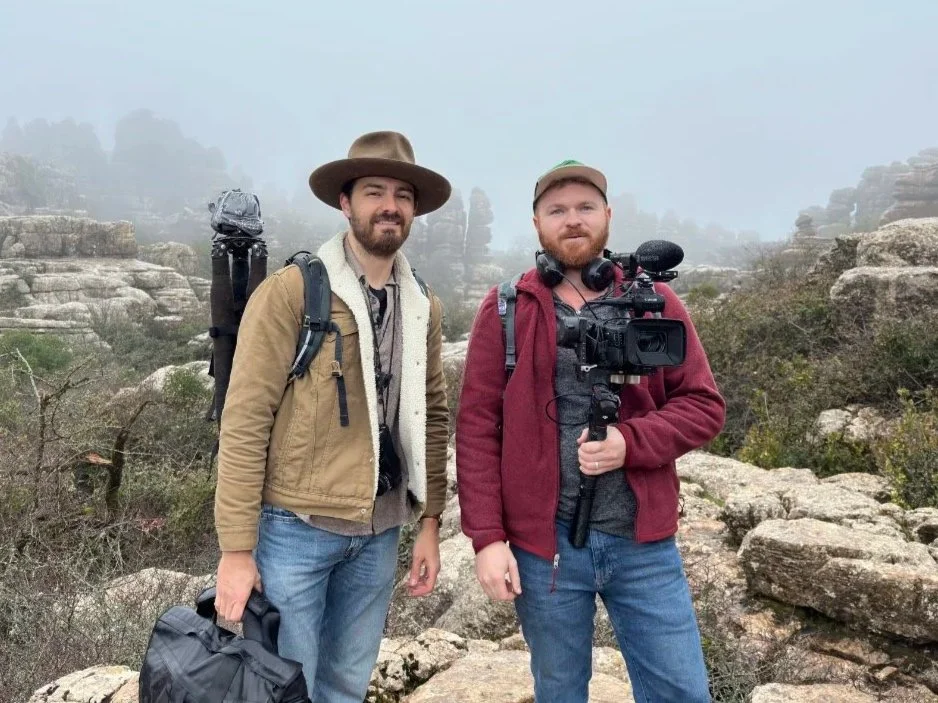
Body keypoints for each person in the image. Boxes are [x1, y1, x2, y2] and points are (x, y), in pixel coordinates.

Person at [455, 159, 725, 703]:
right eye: (557, 210)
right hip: (545, 550)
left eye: (585, 207)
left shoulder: (653, 302)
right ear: (537, 223)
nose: (572, 219)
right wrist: (487, 539)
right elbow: (478, 427)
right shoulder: (506, 308)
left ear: (607, 215)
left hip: (643, 546)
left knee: (682, 692)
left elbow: (703, 406)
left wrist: (631, 443)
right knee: (559, 691)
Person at [213, 131, 451, 703]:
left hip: (380, 532)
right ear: (345, 202)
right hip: (296, 529)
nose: (389, 206)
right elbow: (245, 421)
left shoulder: (422, 303)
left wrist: (429, 522)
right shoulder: (293, 292)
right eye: (374, 192)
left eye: (402, 195)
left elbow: (433, 415)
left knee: (346, 685)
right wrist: (236, 551)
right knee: (286, 688)